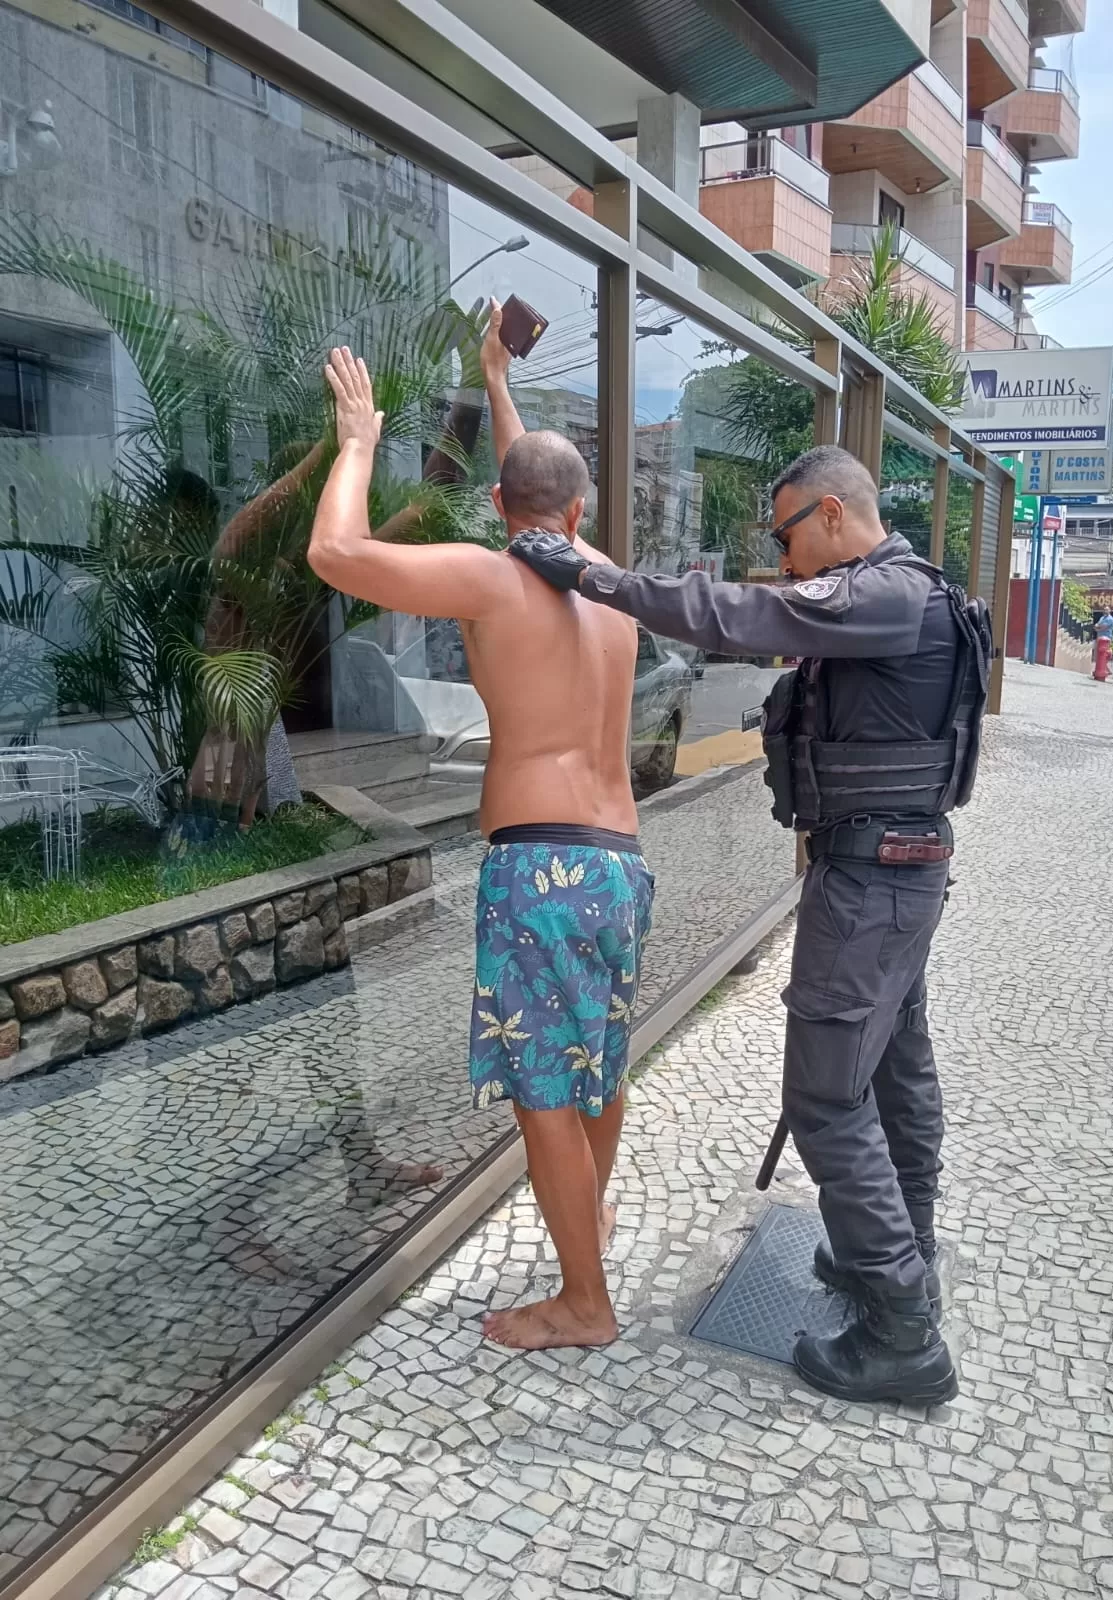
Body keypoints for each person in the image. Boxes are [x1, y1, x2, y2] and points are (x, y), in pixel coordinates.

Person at [510, 444, 991, 1406]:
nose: (785, 559)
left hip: (873, 887)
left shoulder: (884, 594)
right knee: (895, 1071)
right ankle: (899, 1259)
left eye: (784, 535)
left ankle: (903, 1329)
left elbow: (744, 614)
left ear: (827, 515)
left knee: (825, 1099)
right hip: (894, 876)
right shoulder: (910, 594)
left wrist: (599, 577)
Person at [307, 306, 653, 1352]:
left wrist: (358, 444)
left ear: (499, 506)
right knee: (594, 1067)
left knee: (543, 1091)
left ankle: (584, 1302)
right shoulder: (611, 592)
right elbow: (539, 496)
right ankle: (583, 1237)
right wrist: (498, 379)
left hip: (539, 867)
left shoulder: (489, 574)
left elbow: (335, 549)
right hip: (620, 868)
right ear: (581, 509)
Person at [1093, 608, 1113, 682]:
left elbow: (1103, 627)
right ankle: (1103, 669)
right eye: (1104, 610)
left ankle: (1104, 670)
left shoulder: (1110, 619)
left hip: (1106, 638)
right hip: (1099, 637)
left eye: (1107, 610)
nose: (1105, 611)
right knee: (1098, 655)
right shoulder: (1102, 617)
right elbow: (1097, 624)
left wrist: (1098, 628)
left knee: (1104, 654)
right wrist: (1097, 627)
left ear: (1110, 611)